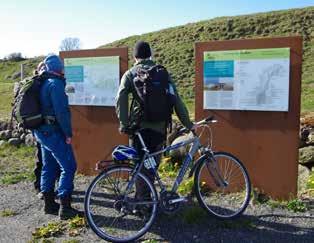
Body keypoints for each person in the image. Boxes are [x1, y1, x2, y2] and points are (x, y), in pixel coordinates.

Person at [116, 41, 197, 200]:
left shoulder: (131, 73)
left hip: (139, 130)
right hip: (159, 129)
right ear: (150, 55)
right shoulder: (162, 73)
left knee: (139, 168)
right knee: (152, 167)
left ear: (135, 57)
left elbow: (121, 98)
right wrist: (188, 124)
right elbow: (176, 101)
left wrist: (124, 124)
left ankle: (143, 203)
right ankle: (148, 200)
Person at [33, 54, 80, 220]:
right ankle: (65, 208)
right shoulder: (56, 84)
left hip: (41, 132)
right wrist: (68, 133)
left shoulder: (42, 82)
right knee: (69, 166)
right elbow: (62, 112)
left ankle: (49, 204)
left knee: (49, 166)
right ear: (57, 67)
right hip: (53, 132)